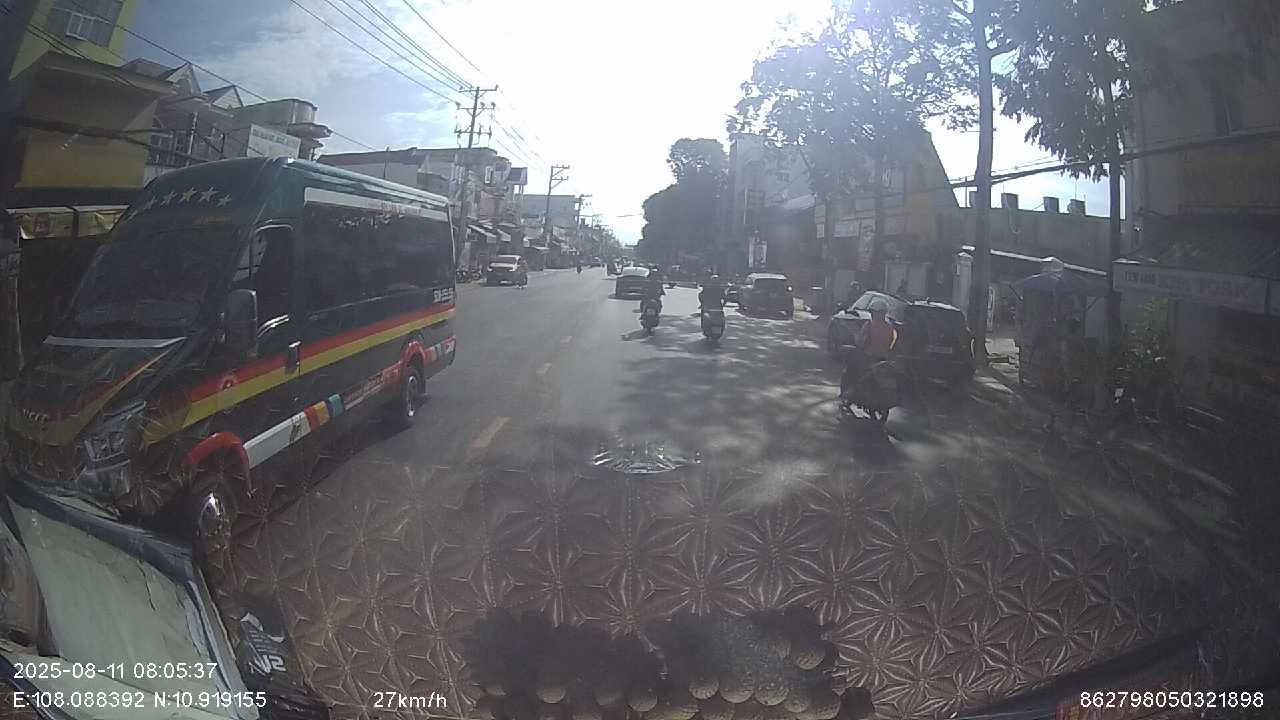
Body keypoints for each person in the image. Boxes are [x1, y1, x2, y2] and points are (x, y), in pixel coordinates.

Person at [840, 299, 898, 407]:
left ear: (874, 312)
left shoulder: (869, 325)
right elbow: (892, 344)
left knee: (852, 369)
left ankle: (849, 391)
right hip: (883, 359)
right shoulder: (890, 328)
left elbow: (861, 342)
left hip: (868, 358)